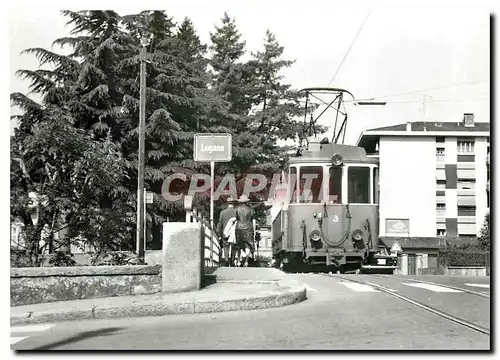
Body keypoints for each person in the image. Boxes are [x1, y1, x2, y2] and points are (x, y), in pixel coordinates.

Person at [216, 196, 238, 266]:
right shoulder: (236, 212)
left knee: (226, 246)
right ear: (234, 204)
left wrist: (219, 233)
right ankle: (232, 261)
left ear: (227, 203)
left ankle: (226, 260)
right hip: (234, 232)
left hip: (225, 232)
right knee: (234, 246)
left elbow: (220, 224)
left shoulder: (222, 213)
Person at [235, 195, 255, 267]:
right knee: (248, 245)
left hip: (239, 227)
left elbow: (237, 218)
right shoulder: (251, 210)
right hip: (248, 228)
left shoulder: (237, 209)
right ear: (247, 202)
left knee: (238, 245)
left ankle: (238, 261)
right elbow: (252, 219)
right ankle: (246, 261)